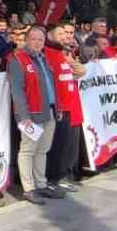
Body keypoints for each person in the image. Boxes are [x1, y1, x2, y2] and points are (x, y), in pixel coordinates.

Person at [8, 26, 60, 205]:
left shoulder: (43, 59)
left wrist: (57, 108)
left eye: (41, 40)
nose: (38, 43)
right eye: (34, 39)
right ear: (27, 40)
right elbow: (17, 90)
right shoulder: (18, 60)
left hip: (48, 111)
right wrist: (24, 116)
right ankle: (29, 189)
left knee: (42, 150)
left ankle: (41, 184)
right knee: (28, 150)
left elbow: (50, 86)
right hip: (31, 114)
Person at [42, 25, 87, 193]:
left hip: (73, 105)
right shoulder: (46, 54)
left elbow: (77, 73)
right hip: (61, 108)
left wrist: (74, 64)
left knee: (70, 146)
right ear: (50, 35)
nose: (64, 37)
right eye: (59, 34)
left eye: (65, 34)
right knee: (59, 146)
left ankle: (66, 176)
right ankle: (55, 178)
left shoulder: (65, 53)